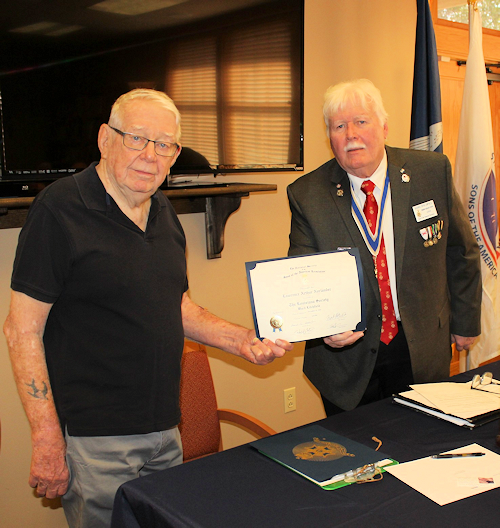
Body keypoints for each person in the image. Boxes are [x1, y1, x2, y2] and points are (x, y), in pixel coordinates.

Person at [3, 88, 292, 528]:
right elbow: (21, 330)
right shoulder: (59, 209)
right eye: (137, 138)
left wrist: (243, 341)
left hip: (165, 431)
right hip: (96, 441)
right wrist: (46, 439)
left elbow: (175, 306)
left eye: (164, 145)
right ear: (105, 139)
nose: (150, 155)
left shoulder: (162, 211)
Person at [287, 79, 481, 416]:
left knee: (422, 445)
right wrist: (322, 326)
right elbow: (302, 273)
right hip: (346, 356)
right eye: (339, 126)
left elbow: (460, 251)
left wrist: (465, 323)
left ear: (385, 127)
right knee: (356, 457)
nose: (351, 134)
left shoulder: (430, 171)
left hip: (420, 344)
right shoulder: (308, 193)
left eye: (361, 122)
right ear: (329, 136)